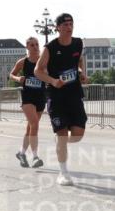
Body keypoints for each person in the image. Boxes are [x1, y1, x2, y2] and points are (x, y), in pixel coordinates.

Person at [35, 13, 88, 185]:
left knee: (78, 134)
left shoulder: (78, 43)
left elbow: (79, 60)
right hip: (56, 96)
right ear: (57, 27)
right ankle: (63, 173)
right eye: (64, 24)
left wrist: (81, 73)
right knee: (63, 135)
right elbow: (38, 70)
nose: (68, 26)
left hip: (74, 93)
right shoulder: (50, 47)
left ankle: (60, 142)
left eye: (71, 23)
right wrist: (52, 81)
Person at [9, 37, 46, 168]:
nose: (35, 47)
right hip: (28, 97)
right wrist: (18, 78)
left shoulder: (43, 61)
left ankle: (21, 153)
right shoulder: (23, 62)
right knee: (34, 124)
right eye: (32, 45)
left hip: (41, 97)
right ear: (27, 47)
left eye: (37, 44)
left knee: (30, 128)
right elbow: (11, 74)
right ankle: (35, 157)